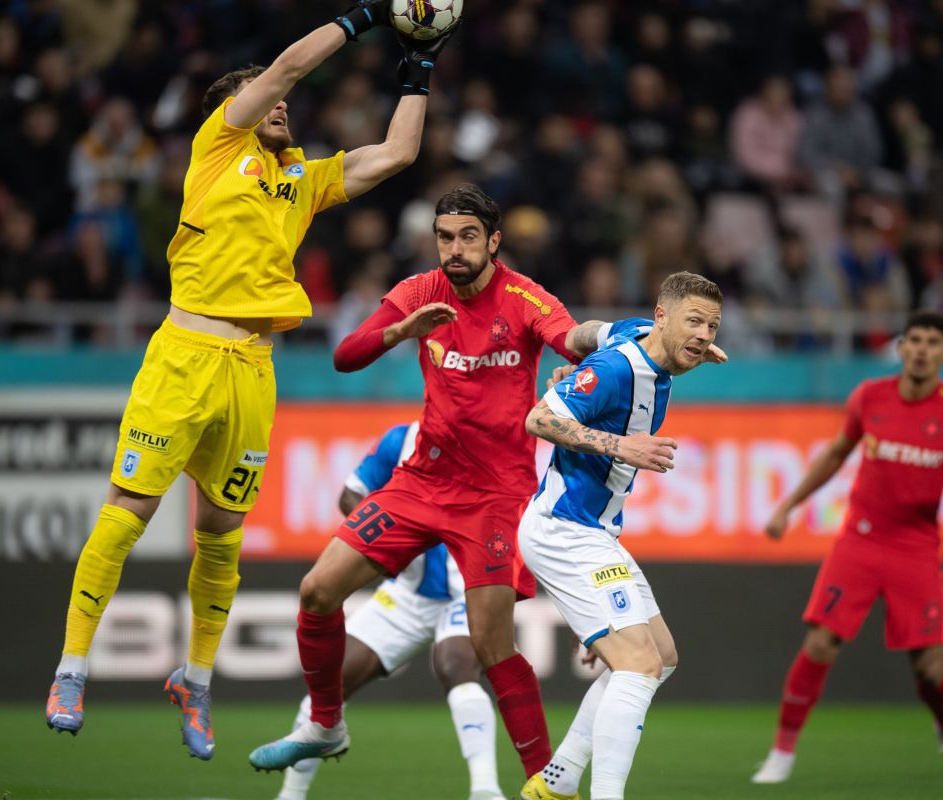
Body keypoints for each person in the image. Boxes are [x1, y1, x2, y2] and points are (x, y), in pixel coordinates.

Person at [44, 0, 454, 760]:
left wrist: (420, 67)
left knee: (223, 534)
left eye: (284, 104)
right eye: (267, 97)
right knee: (126, 513)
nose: (284, 105)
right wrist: (365, 16)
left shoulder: (300, 175)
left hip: (253, 368)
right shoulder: (216, 145)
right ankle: (72, 668)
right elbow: (290, 66)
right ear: (235, 107)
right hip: (184, 357)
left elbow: (395, 155)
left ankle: (195, 682)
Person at [248, 183, 610, 789]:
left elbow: (568, 338)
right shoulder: (421, 293)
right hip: (423, 483)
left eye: (469, 236)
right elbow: (345, 355)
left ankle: (546, 785)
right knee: (316, 591)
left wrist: (611, 337)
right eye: (445, 237)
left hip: (495, 497)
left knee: (491, 648)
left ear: (494, 241)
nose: (455, 249)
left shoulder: (523, 297)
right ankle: (327, 725)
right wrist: (400, 330)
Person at [751, 310, 943, 784]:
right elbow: (835, 454)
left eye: (933, 342)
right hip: (861, 540)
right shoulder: (870, 397)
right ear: (902, 348)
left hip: (917, 547)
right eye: (916, 340)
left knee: (929, 669)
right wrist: (788, 506)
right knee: (819, 643)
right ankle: (781, 753)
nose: (923, 349)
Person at [518, 273, 725, 800]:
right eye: (693, 321)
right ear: (661, 315)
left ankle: (558, 779)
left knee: (662, 658)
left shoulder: (635, 334)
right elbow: (539, 419)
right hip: (565, 530)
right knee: (638, 666)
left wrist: (575, 356)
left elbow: (591, 330)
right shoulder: (616, 369)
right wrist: (618, 444)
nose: (702, 335)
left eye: (712, 326)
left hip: (596, 534)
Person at [276, 421, 507, 800]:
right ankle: (290, 795)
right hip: (407, 591)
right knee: (335, 677)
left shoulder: (495, 439)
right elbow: (350, 496)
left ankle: (486, 790)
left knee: (455, 664)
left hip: (469, 590)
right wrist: (395, 545)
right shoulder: (402, 439)